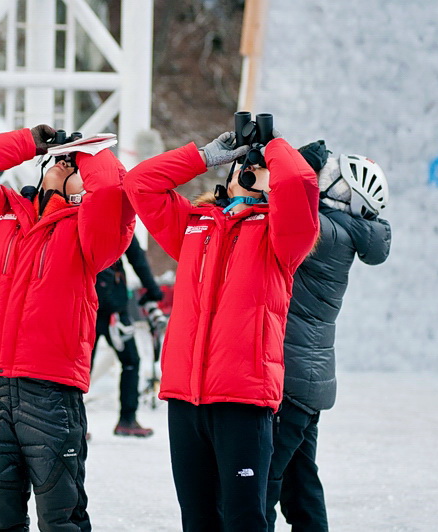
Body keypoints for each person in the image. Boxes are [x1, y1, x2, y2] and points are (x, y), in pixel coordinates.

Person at [124, 129, 320, 531]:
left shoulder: (281, 236)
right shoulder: (194, 225)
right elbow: (140, 183)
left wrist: (274, 147)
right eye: (245, 165)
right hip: (185, 399)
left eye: (261, 168)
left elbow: (300, 183)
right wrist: (203, 156)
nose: (252, 169)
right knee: (197, 521)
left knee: (245, 520)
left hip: (243, 401)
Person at [0, 125, 135, 531]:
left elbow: (114, 196)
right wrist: (31, 141)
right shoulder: (0, 213)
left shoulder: (90, 232)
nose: (67, 162)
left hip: (49, 391)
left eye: (74, 163)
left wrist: (90, 150)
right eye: (60, 158)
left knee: (60, 521)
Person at [266, 143, 392, 531]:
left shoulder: (324, 234)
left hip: (291, 377)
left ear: (339, 190)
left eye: (327, 174)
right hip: (306, 379)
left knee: (263, 487)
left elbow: (277, 208)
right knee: (301, 485)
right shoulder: (342, 233)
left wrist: (297, 163)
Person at [92, 234, 164, 437]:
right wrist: (153, 291)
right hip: (113, 307)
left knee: (81, 365)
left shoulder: (82, 214)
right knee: (131, 361)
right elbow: (137, 259)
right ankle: (127, 420)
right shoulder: (120, 226)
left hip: (87, 304)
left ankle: (73, 423)